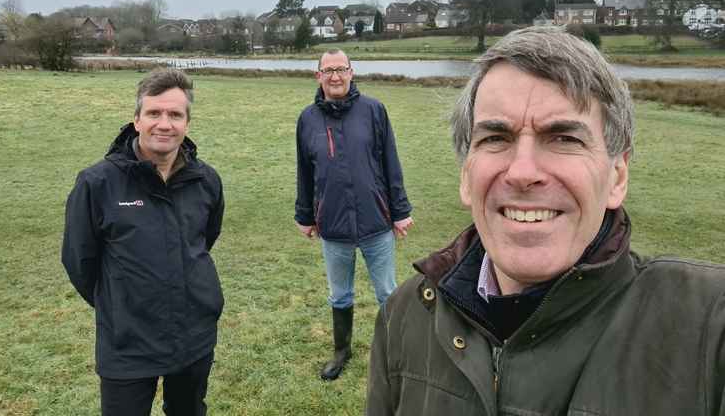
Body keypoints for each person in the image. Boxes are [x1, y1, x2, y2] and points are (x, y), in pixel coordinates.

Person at [366, 26, 725, 415]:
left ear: (616, 177)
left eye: (564, 139)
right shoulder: (406, 314)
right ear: (467, 176)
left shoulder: (707, 327)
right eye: (495, 138)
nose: (522, 172)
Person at [61, 68, 225, 416]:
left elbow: (205, 239)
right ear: (136, 120)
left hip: (193, 335)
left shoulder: (206, 181)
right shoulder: (97, 183)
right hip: (128, 343)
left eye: (175, 115)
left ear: (187, 124)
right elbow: (80, 262)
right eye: (154, 113)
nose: (164, 124)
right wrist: (121, 303)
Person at [295, 49, 414, 380]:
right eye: (328, 70)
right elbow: (305, 171)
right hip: (332, 226)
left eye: (341, 69)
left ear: (352, 72)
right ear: (318, 76)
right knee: (340, 293)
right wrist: (305, 215)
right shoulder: (307, 119)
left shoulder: (374, 111)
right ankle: (341, 351)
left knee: (388, 293)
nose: (335, 76)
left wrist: (400, 211)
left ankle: (396, 355)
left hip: (376, 222)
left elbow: (391, 162)